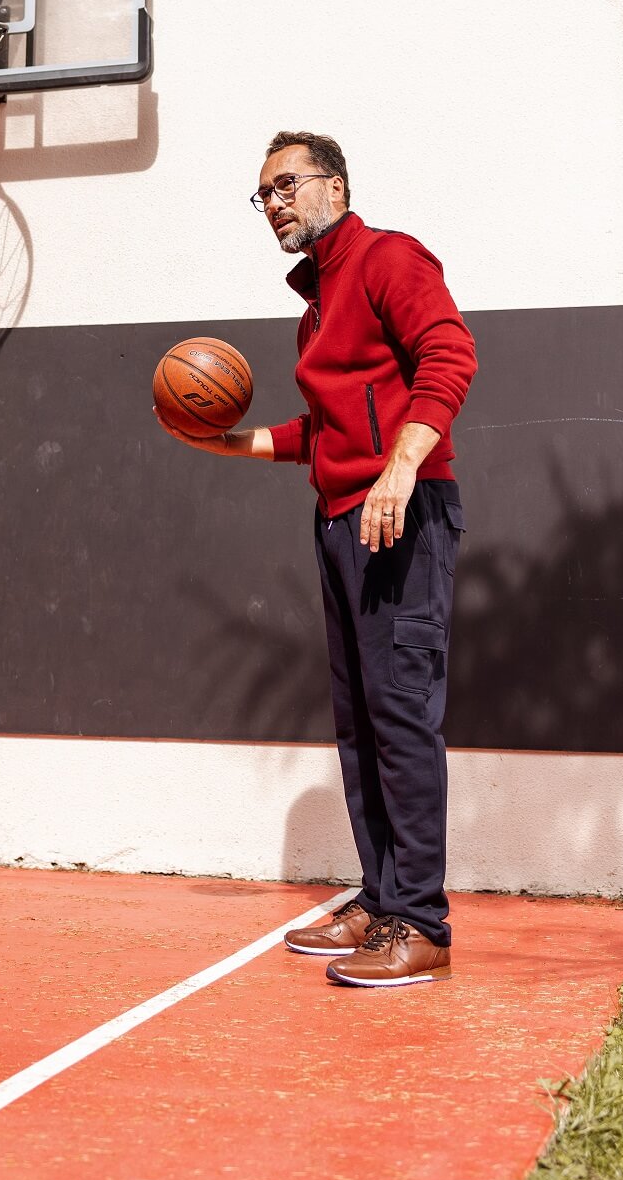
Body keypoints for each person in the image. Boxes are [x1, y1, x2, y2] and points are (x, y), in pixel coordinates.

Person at [157, 131, 477, 987]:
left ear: (334, 185)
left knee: (403, 716)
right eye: (262, 193)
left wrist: (400, 470)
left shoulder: (387, 259)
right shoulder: (316, 310)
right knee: (361, 721)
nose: (274, 203)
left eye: (287, 185)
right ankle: (380, 898)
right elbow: (325, 433)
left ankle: (422, 925)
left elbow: (450, 355)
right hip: (341, 520)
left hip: (400, 514)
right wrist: (228, 441)